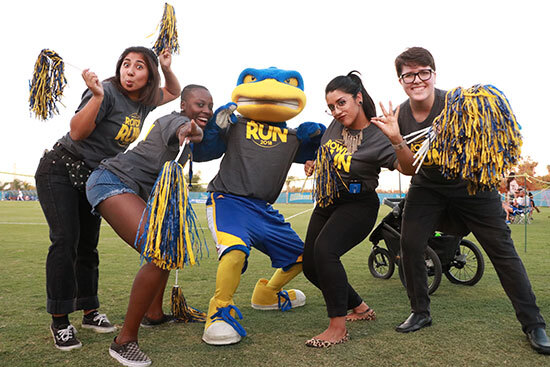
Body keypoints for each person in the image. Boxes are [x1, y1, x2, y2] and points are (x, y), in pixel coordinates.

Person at [380, 46, 549, 355]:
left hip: (471, 187)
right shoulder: (400, 115)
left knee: (502, 250)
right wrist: (395, 138)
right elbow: (407, 167)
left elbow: (489, 141)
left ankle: (534, 324)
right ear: (400, 80)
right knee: (410, 243)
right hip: (427, 187)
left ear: (433, 74)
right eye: (408, 75)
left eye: (423, 72)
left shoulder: (457, 103)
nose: (416, 79)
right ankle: (420, 311)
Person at [35, 46, 181, 351]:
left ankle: (90, 311)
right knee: (66, 241)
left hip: (94, 176)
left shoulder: (145, 101)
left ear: (149, 76)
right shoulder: (108, 91)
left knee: (88, 245)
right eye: (126, 64)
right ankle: (60, 321)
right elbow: (76, 133)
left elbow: (174, 92)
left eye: (139, 67)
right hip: (61, 169)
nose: (130, 71)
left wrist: (166, 66)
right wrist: (98, 97)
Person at [86, 85, 208, 366]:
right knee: (159, 249)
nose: (206, 111)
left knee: (166, 247)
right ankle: (124, 341)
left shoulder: (186, 137)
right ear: (184, 106)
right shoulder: (174, 121)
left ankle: (153, 314)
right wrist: (192, 130)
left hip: (126, 186)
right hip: (110, 181)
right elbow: (185, 130)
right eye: (199, 104)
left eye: (210, 106)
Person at [301, 71, 415, 348]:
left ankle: (337, 328)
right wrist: (315, 164)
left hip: (358, 205)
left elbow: (408, 168)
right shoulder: (334, 126)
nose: (336, 111)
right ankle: (360, 308)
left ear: (359, 98)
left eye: (341, 103)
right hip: (328, 201)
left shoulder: (380, 133)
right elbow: (329, 153)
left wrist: (397, 138)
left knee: (326, 251)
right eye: (331, 106)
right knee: (310, 266)